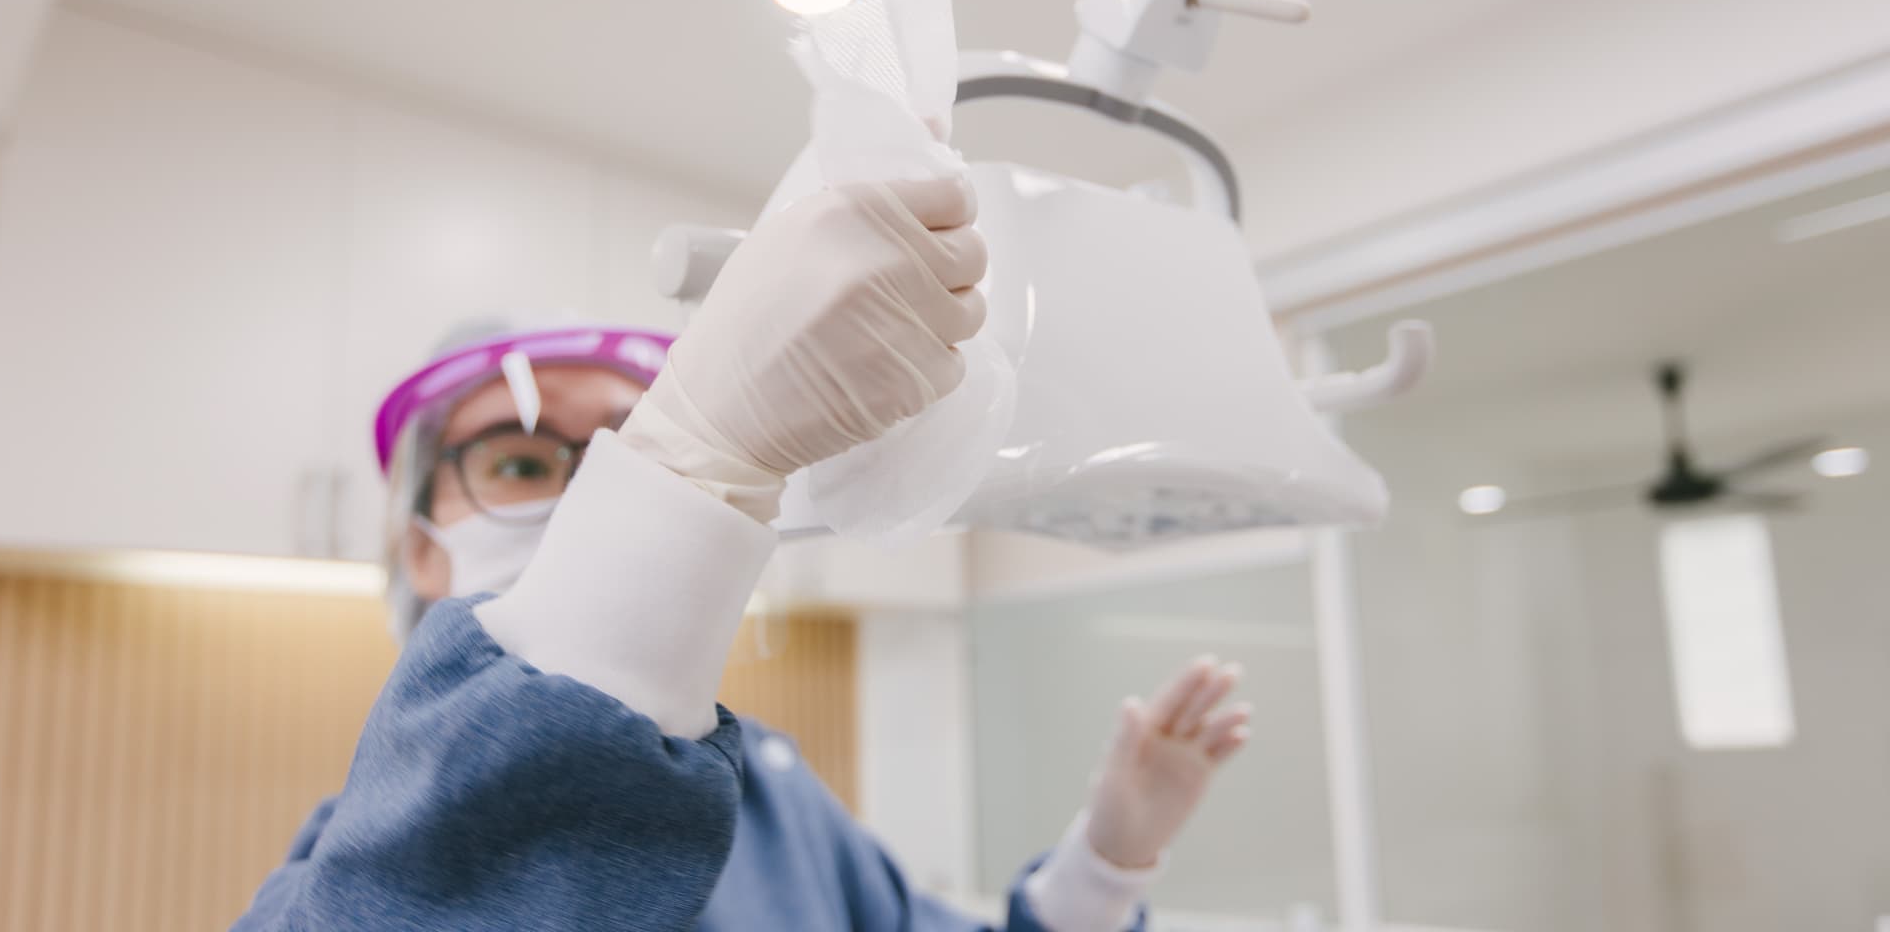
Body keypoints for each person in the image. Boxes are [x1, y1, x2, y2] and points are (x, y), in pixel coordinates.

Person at [235, 179, 1251, 930]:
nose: (590, 493)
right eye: (518, 459)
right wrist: (688, 453)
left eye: (626, 449)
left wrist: (1106, 861)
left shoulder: (769, 790)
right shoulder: (369, 862)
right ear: (418, 547)